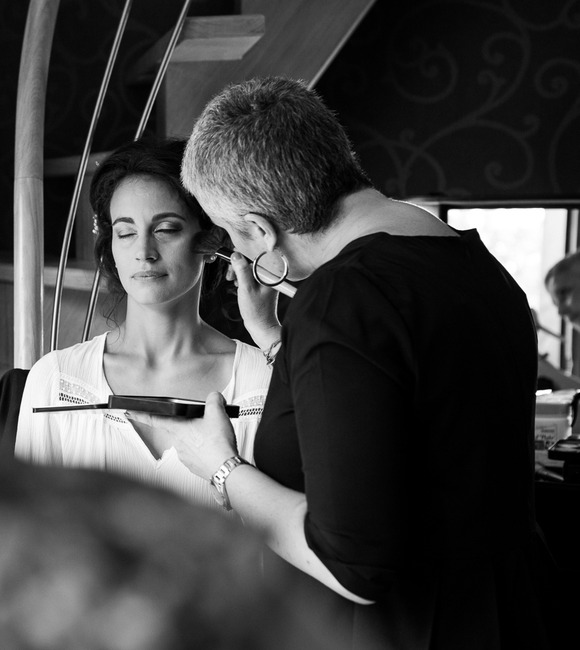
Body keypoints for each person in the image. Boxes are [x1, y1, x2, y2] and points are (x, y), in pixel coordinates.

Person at [129, 77, 552, 648]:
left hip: (410, 628)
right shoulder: (470, 261)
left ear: (258, 229)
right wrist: (276, 340)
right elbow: (402, 404)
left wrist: (223, 470)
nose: (241, 254)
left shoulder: (342, 301)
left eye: (232, 234)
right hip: (506, 609)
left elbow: (354, 565)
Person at [15, 139, 274, 508]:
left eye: (165, 229)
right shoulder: (55, 381)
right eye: (125, 232)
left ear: (210, 238)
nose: (143, 252)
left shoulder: (262, 384)